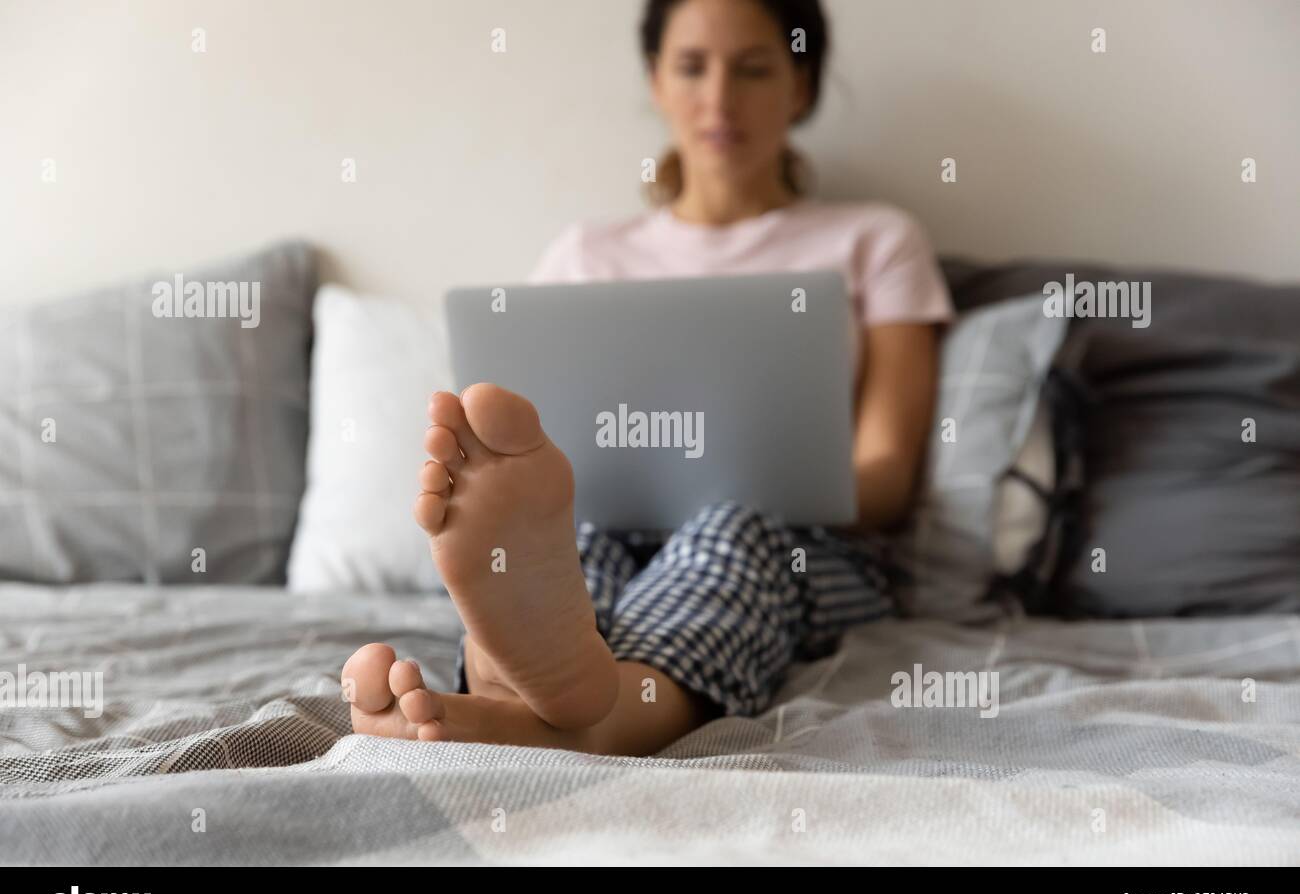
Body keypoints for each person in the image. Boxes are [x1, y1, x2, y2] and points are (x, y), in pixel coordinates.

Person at [342, 0, 953, 756]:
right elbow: (534, 447)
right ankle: (521, 680)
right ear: (656, 82)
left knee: (730, 531)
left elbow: (887, 472)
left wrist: (752, 488)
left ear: (801, 86)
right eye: (692, 67)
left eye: (755, 69)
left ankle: (571, 712)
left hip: (806, 547)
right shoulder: (587, 255)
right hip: (608, 527)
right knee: (572, 539)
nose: (719, 98)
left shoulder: (876, 241)